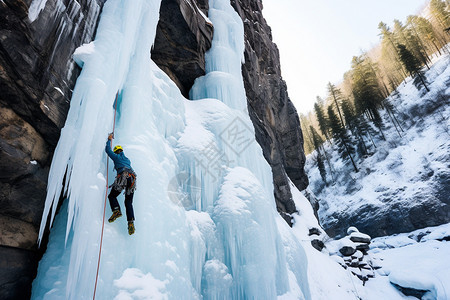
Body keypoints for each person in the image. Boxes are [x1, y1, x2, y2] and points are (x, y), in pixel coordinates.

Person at [105, 133, 137, 235]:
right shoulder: (127, 159)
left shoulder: (117, 157)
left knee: (112, 196)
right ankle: (130, 223)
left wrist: (109, 140)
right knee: (128, 202)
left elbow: (108, 151)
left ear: (116, 152)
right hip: (132, 180)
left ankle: (116, 210)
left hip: (123, 177)